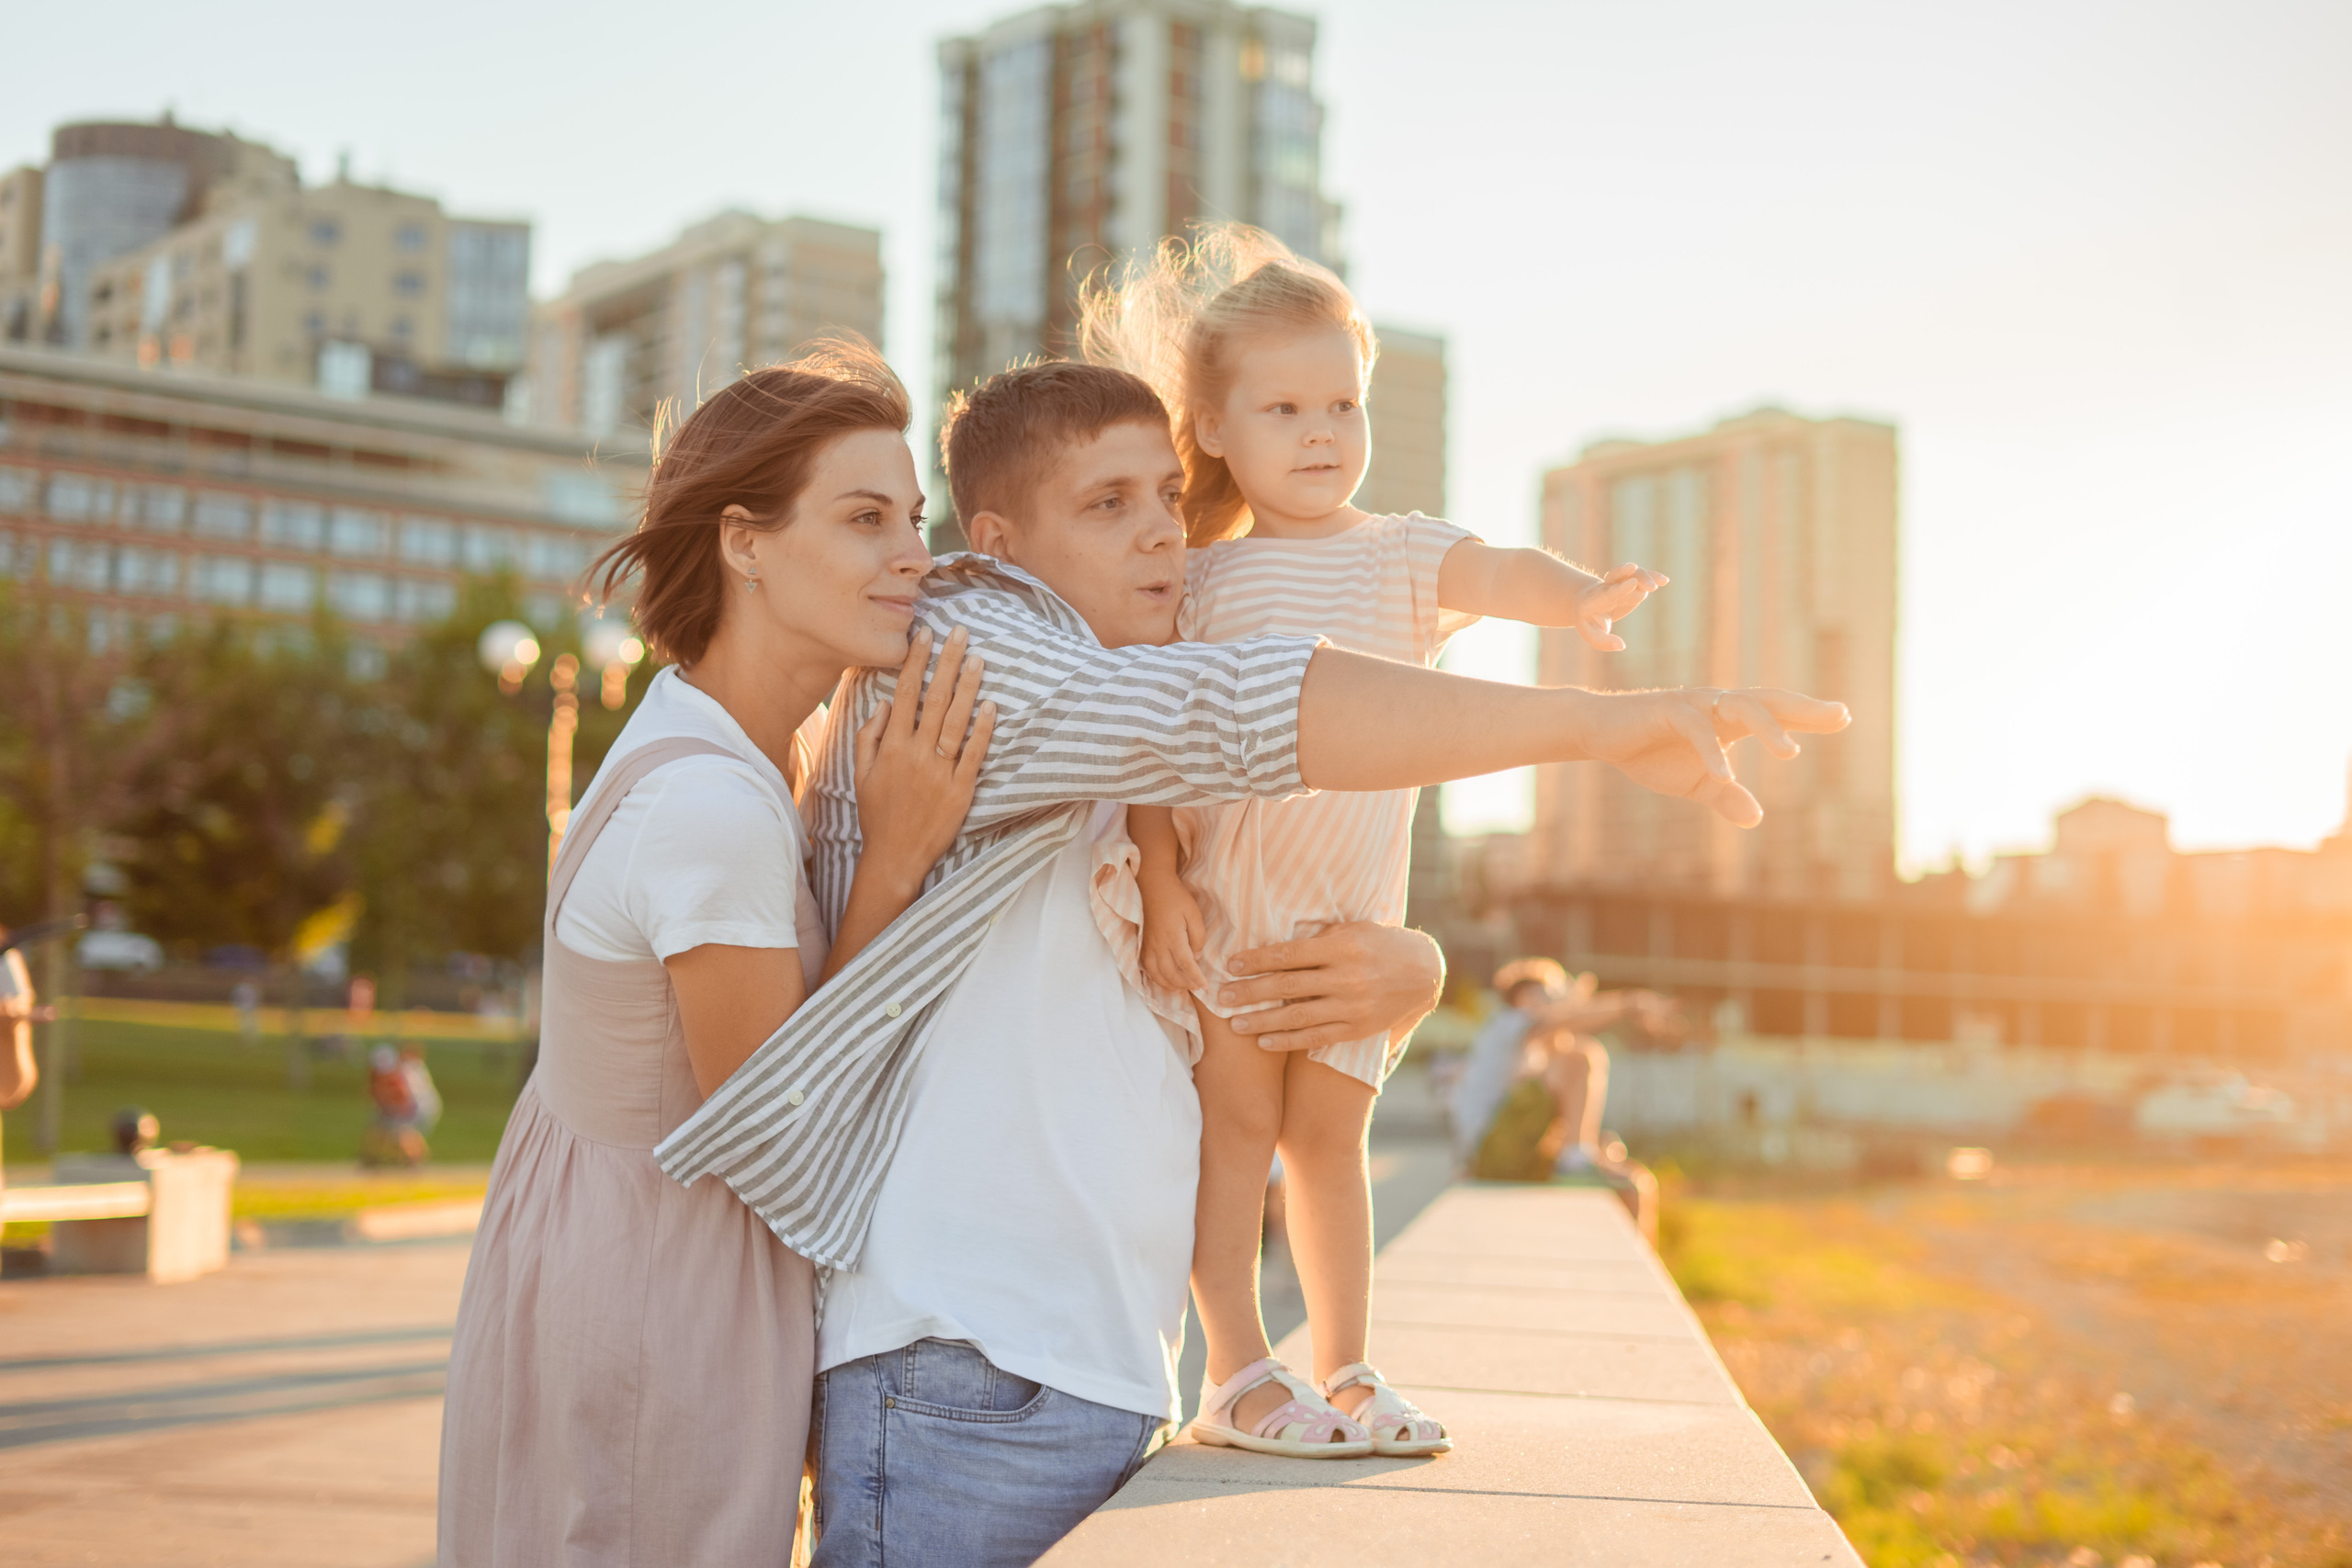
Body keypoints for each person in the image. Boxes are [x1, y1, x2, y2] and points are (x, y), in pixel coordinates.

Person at [654, 357, 1847, 1566]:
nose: (1162, 533)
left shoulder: (1095, 696)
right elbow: (1237, 706)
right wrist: (1600, 723)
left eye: (1168, 495)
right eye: (1107, 504)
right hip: (970, 1369)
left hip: (1070, 1363)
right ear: (1002, 541)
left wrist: (1415, 963)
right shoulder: (974, 645)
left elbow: (1261, 883)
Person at [1077, 223, 1674, 1459]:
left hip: (1355, 921)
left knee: (1330, 1144)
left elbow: (1499, 566)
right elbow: (1149, 735)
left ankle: (1344, 1363)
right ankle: (1238, 1370)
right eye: (1285, 406)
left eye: (1342, 403)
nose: (1320, 432)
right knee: (1236, 1138)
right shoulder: (1199, 576)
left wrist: (1578, 597)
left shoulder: (1401, 554)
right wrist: (1165, 869)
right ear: (1219, 425)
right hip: (1235, 910)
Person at [437, 343, 995, 1565]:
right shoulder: (716, 808)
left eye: (914, 516)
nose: (917, 554)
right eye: (863, 518)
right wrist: (896, 859)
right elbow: (779, 1131)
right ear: (745, 541)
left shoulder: (730, 742)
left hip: (613, 1254)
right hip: (657, 1300)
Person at [1454, 959, 1668, 1235]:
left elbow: (1561, 1029)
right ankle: (1575, 1158)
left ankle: (1579, 1155)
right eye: (1552, 995)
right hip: (1494, 1154)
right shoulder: (1509, 1021)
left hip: (1508, 1155)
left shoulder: (1533, 1046)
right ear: (1526, 996)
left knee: (1635, 1185)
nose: (1558, 1003)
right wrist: (1630, 1003)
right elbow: (1563, 1022)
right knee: (1582, 1055)